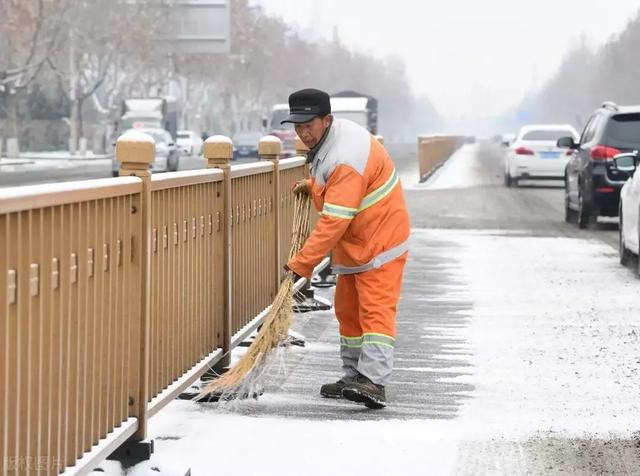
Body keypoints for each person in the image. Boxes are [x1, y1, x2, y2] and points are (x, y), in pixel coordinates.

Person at [283, 88, 410, 409]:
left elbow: (335, 219)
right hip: (357, 243)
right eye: (297, 126)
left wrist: (302, 264)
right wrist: (311, 186)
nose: (302, 133)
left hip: (380, 243)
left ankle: (374, 382)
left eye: (308, 125)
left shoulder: (344, 157)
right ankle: (353, 375)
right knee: (348, 312)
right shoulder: (333, 142)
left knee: (375, 313)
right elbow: (339, 189)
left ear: (327, 120)